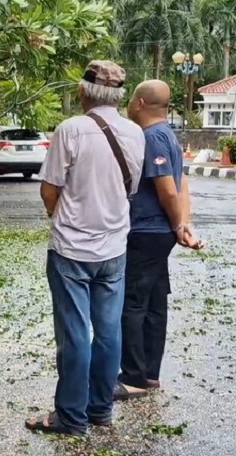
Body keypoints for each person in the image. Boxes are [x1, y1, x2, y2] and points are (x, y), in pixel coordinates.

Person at [25, 60, 145, 436]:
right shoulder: (135, 132)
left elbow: (49, 189)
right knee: (108, 332)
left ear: (83, 91)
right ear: (119, 95)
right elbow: (131, 187)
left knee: (75, 334)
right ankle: (100, 410)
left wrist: (60, 216)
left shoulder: (71, 129)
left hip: (71, 250)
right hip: (114, 249)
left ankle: (71, 417)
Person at [115, 80, 203, 401]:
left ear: (139, 103)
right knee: (154, 303)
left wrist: (178, 224)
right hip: (161, 232)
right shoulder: (169, 136)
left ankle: (133, 378)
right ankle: (150, 374)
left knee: (133, 304)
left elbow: (167, 188)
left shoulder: (151, 137)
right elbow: (182, 183)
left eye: (131, 99)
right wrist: (181, 224)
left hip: (146, 232)